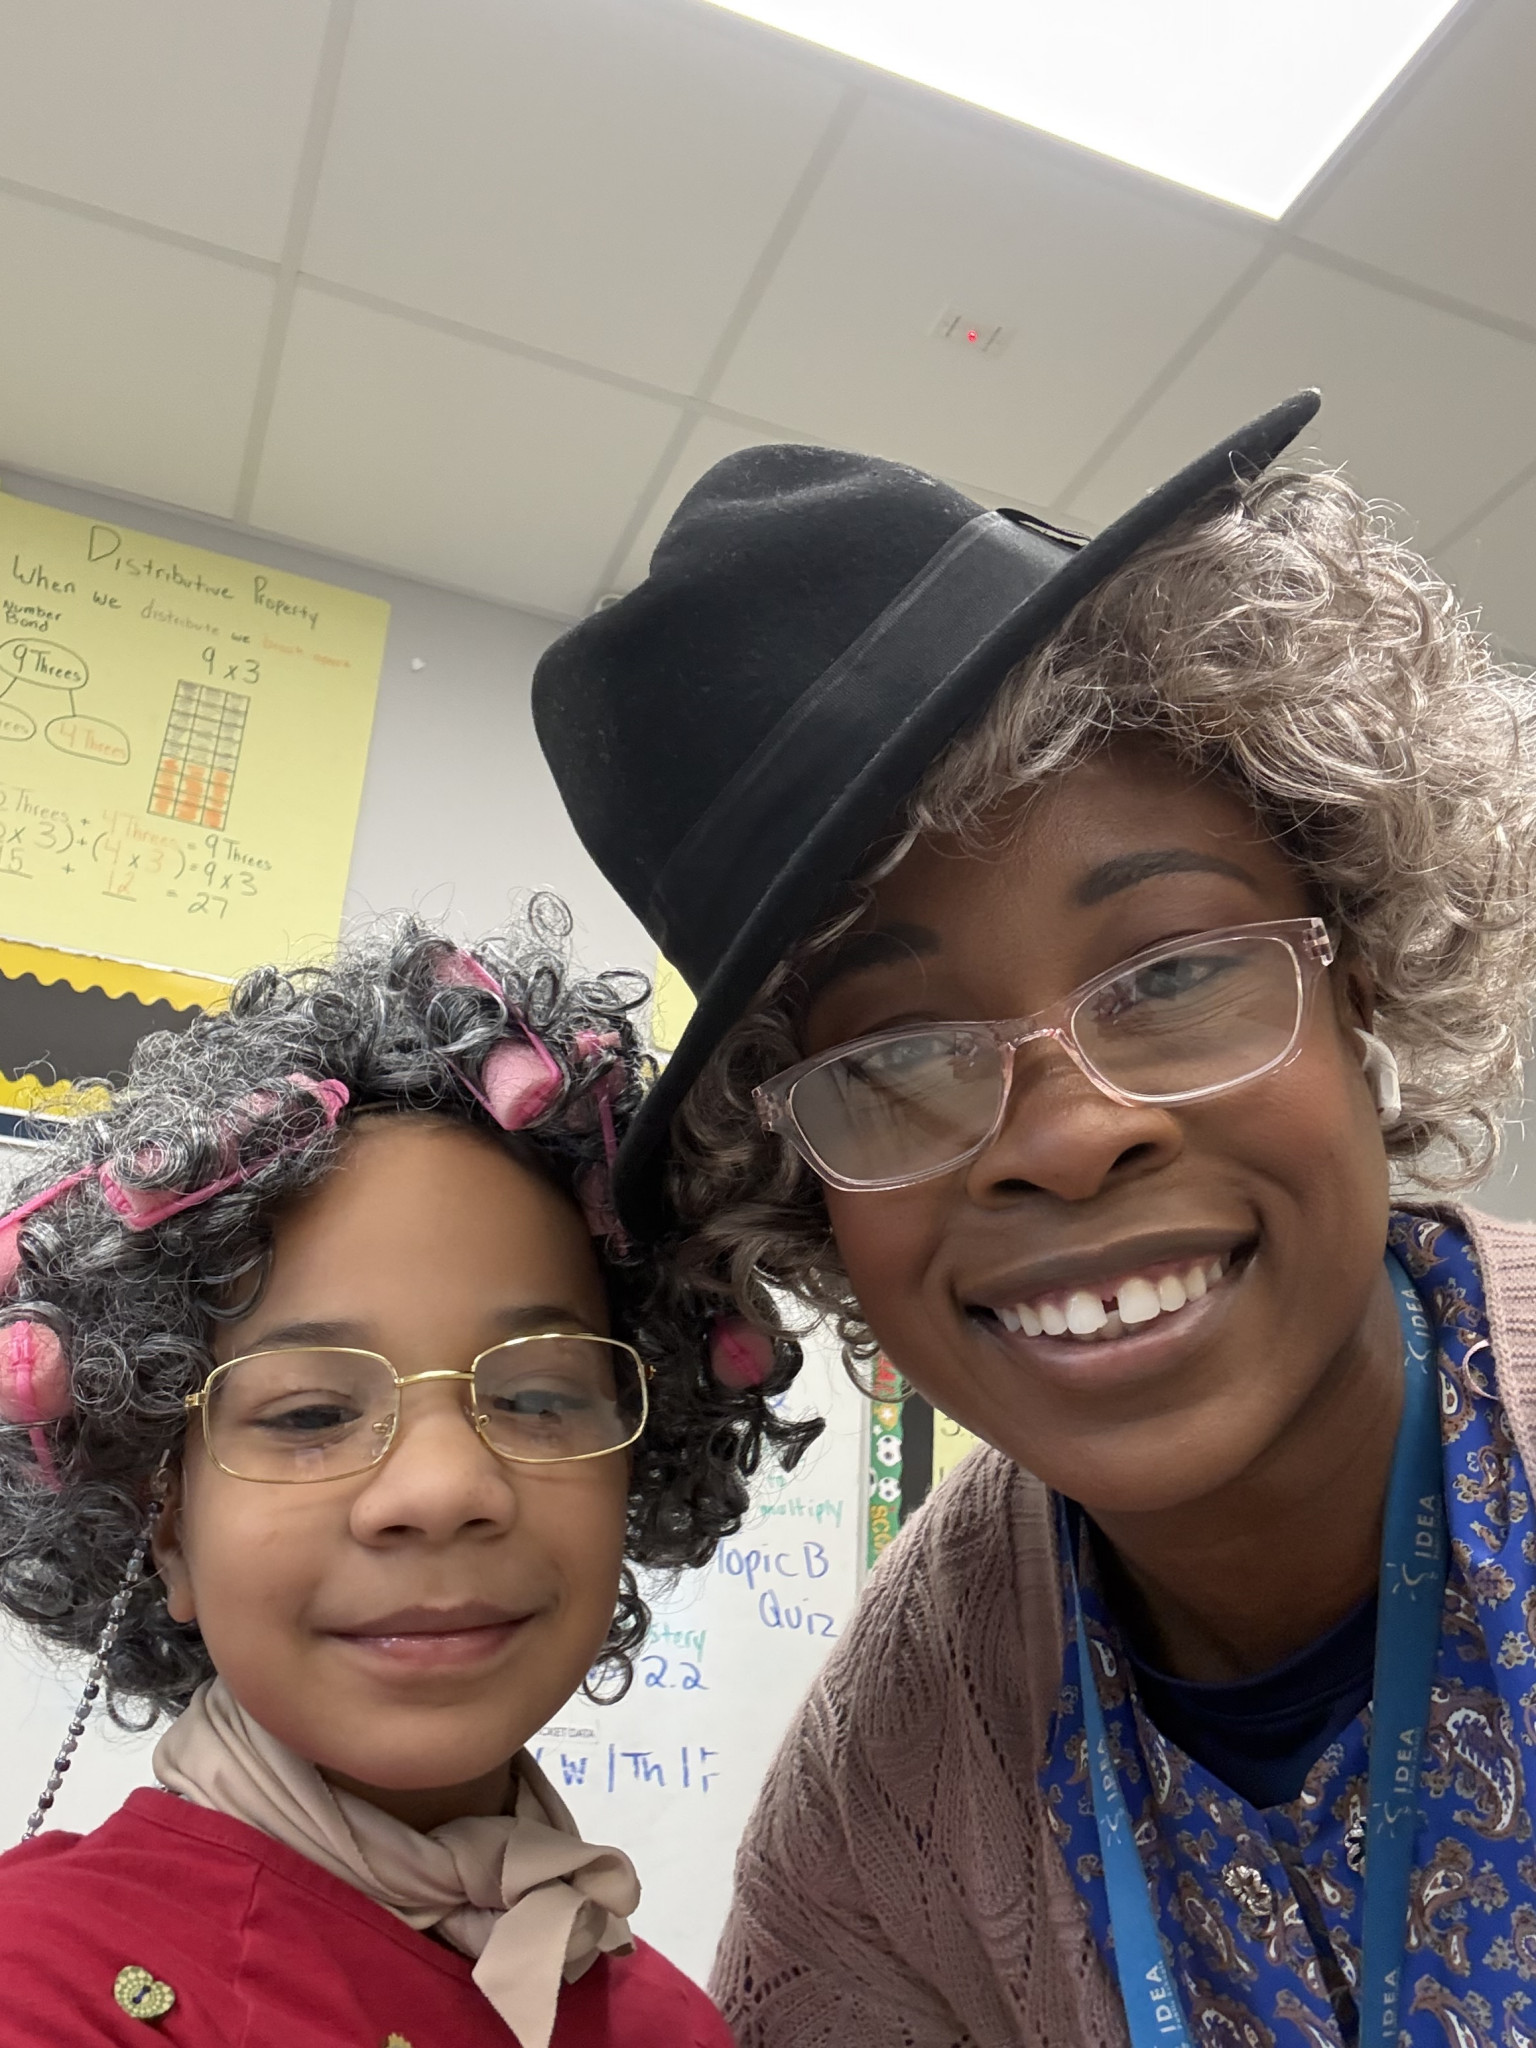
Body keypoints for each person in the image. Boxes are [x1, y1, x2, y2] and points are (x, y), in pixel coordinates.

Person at [530, 392, 1536, 2045]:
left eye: (1175, 973)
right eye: (896, 1062)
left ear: (1353, 976)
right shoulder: (882, 1801)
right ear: (806, 1194)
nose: (1067, 1141)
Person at [0, 906, 811, 2047]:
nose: (441, 1488)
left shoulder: (669, 2024)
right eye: (311, 1413)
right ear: (164, 1523)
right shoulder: (41, 1993)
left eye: (537, 1397)